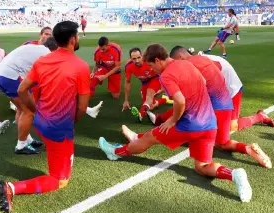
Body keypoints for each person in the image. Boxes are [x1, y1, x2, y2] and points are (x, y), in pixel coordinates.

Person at [99, 44, 252, 202]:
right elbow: (202, 81)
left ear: (158, 60)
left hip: (190, 125)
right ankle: (234, 174)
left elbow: (180, 101)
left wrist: (172, 120)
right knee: (202, 166)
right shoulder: (187, 63)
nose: (152, 70)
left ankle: (115, 153)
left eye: (151, 65)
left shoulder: (166, 75)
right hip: (209, 124)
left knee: (148, 138)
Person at [0, 21, 91, 213]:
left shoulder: (42, 61)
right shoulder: (80, 66)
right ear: (73, 39)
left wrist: (34, 110)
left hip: (40, 124)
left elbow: (23, 89)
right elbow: (82, 107)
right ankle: (12, 188)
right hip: (59, 129)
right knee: (60, 180)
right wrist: (71, 122)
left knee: (51, 145)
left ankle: (29, 143)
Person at [145, 46, 272, 168]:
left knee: (229, 130)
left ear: (180, 57)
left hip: (232, 90)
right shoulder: (199, 59)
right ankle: (159, 119)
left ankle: (259, 118)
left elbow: (189, 96)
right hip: (221, 94)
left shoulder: (191, 65)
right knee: (217, 132)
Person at [0, 37, 57, 154]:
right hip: (11, 77)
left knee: (21, 109)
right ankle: (21, 145)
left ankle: (27, 140)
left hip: (4, 75)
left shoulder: (37, 48)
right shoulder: (47, 54)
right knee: (29, 111)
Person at [199, 52, 274, 132]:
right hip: (218, 93)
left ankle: (260, 116)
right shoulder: (196, 61)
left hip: (232, 91)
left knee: (231, 127)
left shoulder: (204, 63)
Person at [122, 47, 168, 122]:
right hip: (144, 82)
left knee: (149, 96)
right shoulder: (128, 66)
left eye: (138, 57)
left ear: (142, 56)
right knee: (150, 105)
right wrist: (126, 100)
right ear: (130, 58)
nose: (137, 60)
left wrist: (162, 89)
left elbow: (163, 72)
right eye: (134, 59)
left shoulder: (148, 61)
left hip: (155, 78)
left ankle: (140, 115)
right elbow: (127, 82)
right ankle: (164, 99)